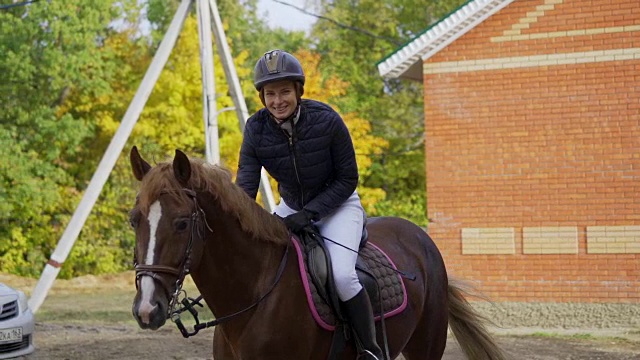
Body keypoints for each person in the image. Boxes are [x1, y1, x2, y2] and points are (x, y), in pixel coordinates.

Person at [235, 49, 383, 359]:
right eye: (271, 93)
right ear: (262, 97)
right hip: (291, 207)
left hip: (339, 205)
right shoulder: (255, 129)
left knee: (342, 275)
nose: (278, 100)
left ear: (298, 91)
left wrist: (311, 214)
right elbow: (245, 187)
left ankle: (370, 350)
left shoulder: (327, 120)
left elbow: (347, 179)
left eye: (285, 91)